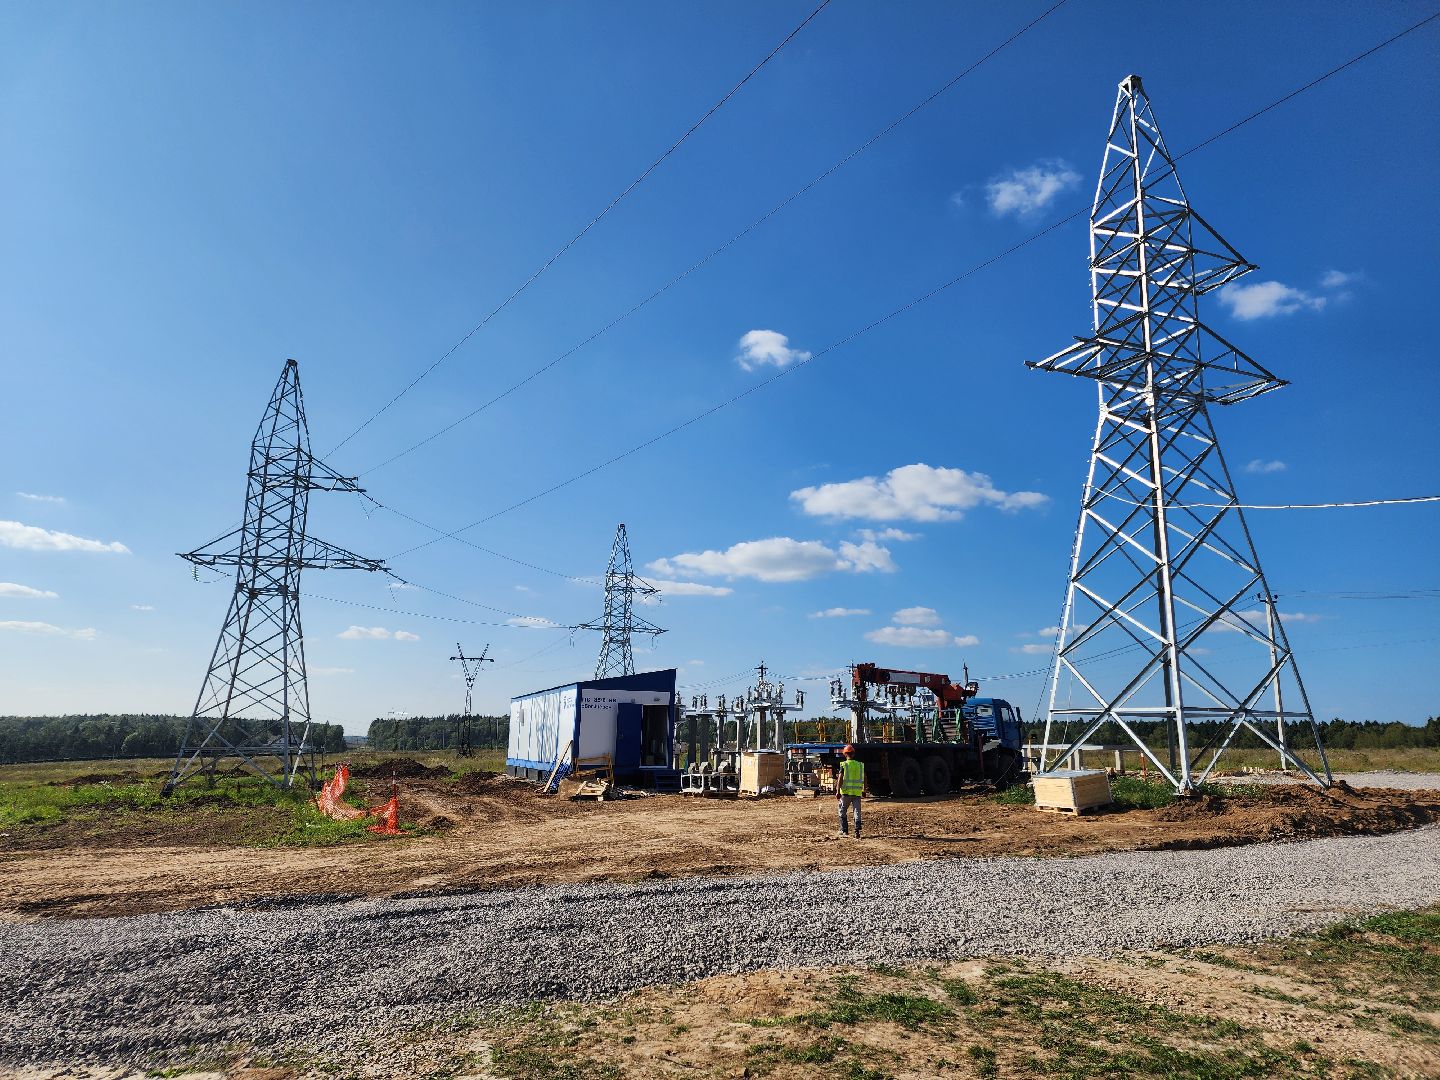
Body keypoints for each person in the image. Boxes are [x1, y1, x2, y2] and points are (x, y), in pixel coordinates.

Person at [836, 744, 864, 839]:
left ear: (845, 754)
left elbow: (840, 778)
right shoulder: (860, 765)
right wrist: (864, 789)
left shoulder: (844, 765)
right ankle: (857, 830)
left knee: (842, 810)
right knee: (857, 811)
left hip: (846, 793)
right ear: (854, 754)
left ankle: (844, 830)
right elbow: (865, 777)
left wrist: (837, 791)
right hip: (857, 793)